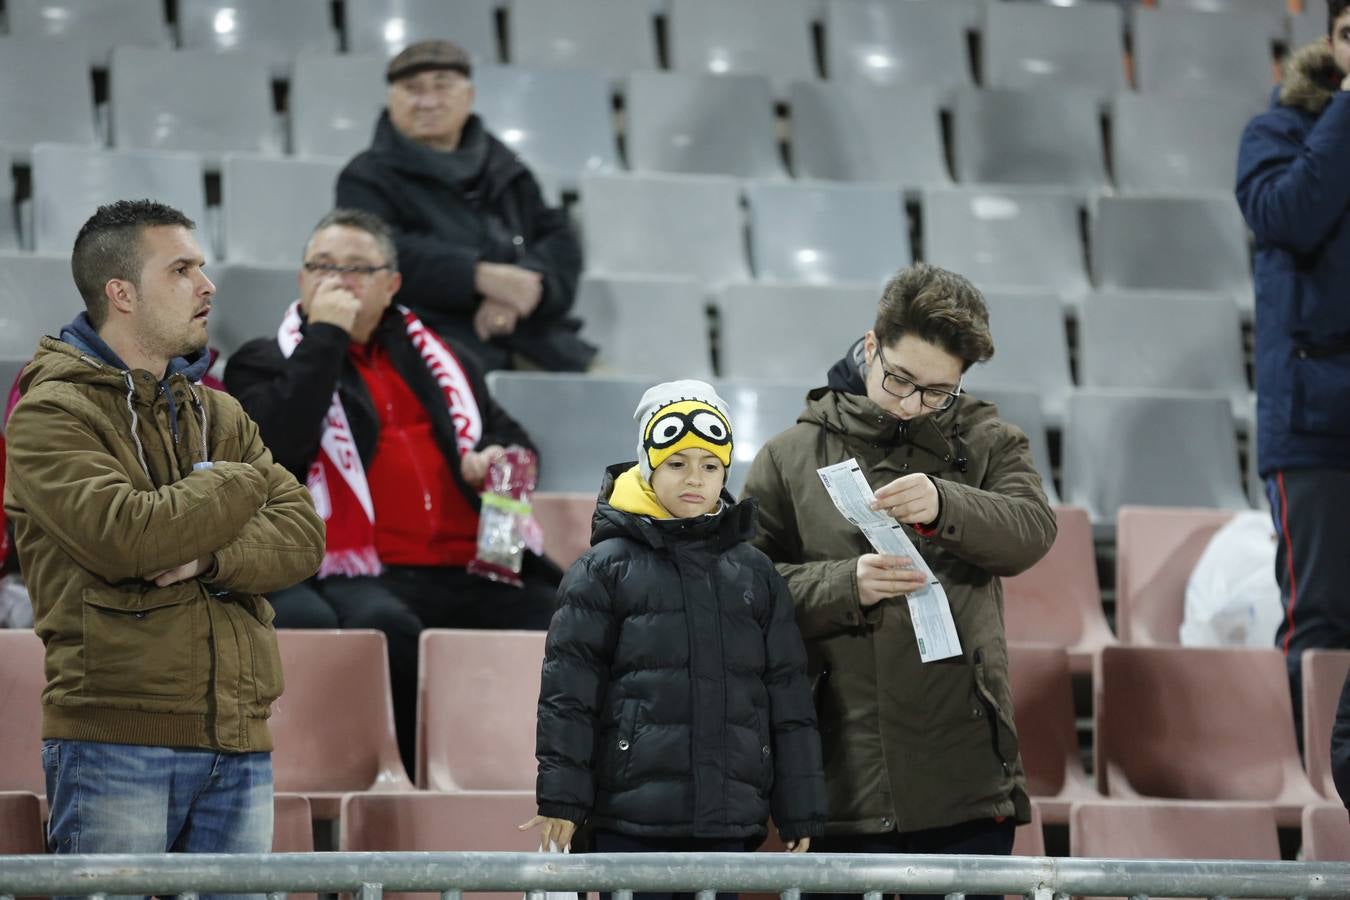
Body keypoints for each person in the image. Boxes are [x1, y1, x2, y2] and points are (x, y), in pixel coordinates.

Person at [2, 199, 325, 861]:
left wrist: (209, 555)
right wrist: (237, 483)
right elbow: (131, 538)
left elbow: (302, 536)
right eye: (181, 270)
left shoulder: (219, 410)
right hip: (116, 742)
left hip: (238, 740)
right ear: (120, 292)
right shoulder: (49, 412)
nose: (207, 287)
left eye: (201, 267)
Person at [741, 264, 1056, 900]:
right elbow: (741, 590)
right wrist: (840, 585)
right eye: (899, 380)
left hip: (968, 778)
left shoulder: (992, 442)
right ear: (870, 346)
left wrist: (949, 505)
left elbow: (1032, 531)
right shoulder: (789, 457)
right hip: (841, 779)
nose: (912, 404)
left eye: (938, 393)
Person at [224, 208, 561, 773]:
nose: (337, 280)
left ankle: (547, 779)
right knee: (388, 632)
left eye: (357, 268)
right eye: (322, 266)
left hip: (476, 565)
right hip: (371, 573)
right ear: (302, 279)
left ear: (392, 284)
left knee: (573, 617)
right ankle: (415, 780)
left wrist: (498, 459)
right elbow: (280, 450)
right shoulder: (263, 361)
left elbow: (517, 441)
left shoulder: (444, 358)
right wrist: (326, 336)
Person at [525, 380, 827, 894]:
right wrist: (562, 800)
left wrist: (800, 807)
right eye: (677, 463)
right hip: (628, 821)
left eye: (710, 466)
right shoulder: (602, 570)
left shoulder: (756, 574)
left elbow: (787, 698)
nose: (696, 479)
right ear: (648, 464)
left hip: (727, 824)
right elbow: (568, 697)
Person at [336, 39, 591, 374]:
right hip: (421, 345)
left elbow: (558, 238)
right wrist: (476, 276)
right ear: (391, 99)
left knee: (631, 409)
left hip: (532, 339)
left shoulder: (506, 166)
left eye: (442, 87)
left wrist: (522, 290)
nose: (427, 101)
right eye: (412, 89)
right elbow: (371, 257)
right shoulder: (365, 175)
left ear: (468, 97)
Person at [1236, 0, 1350, 742]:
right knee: (1325, 616)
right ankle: (1322, 800)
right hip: (1315, 423)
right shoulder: (1280, 129)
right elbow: (1288, 215)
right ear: (1332, 43)